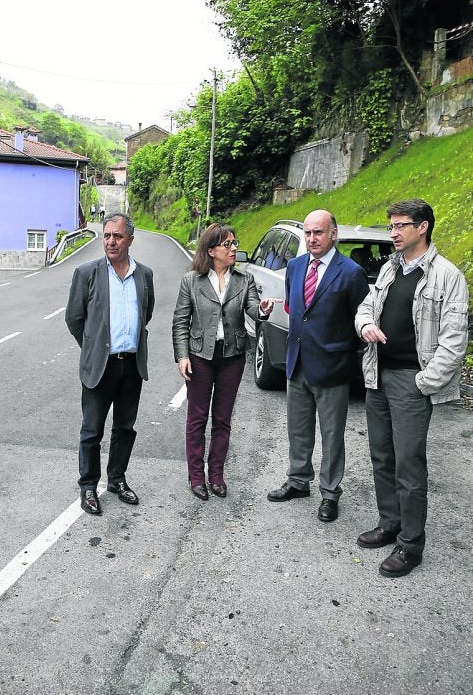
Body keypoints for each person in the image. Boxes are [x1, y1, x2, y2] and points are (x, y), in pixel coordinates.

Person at [355, 198, 468, 577]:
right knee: (382, 457)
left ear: (423, 227)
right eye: (391, 226)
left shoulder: (447, 276)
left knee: (408, 464)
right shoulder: (389, 269)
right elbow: (365, 308)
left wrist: (424, 383)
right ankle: (390, 523)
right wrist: (365, 325)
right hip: (377, 376)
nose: (393, 233)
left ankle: (411, 545)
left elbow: (454, 340)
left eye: (401, 226)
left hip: (411, 382)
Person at [268, 209, 369, 522]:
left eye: (319, 233)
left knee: (332, 435)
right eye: (308, 233)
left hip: (332, 368)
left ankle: (330, 493)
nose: (312, 239)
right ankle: (298, 480)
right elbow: (296, 309)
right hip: (297, 363)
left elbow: (361, 319)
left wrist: (342, 353)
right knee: (297, 430)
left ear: (333, 234)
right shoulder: (295, 266)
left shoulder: (351, 272)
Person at [172, 223, 282, 501]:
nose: (234, 249)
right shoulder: (191, 281)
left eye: (234, 243)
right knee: (197, 419)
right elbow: (180, 321)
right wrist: (182, 356)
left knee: (222, 419)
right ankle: (196, 477)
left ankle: (217, 476)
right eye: (227, 244)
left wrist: (264, 310)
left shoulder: (244, 281)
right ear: (211, 251)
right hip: (200, 356)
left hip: (231, 357)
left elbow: (254, 310)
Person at [65, 212, 155, 515]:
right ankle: (89, 486)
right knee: (91, 431)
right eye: (106, 235)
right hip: (99, 366)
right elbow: (74, 318)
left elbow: (147, 313)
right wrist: (94, 348)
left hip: (131, 365)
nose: (111, 241)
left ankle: (117, 479)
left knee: (125, 428)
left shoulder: (144, 275)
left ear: (129, 238)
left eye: (117, 236)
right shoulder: (87, 272)